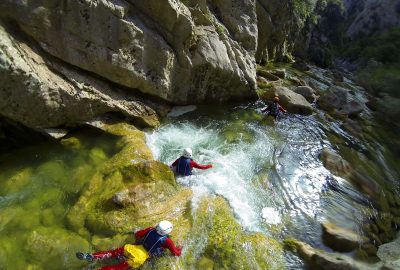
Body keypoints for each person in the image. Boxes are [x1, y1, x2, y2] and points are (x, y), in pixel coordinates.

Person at [76, 220, 182, 270]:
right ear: (166, 232)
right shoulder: (167, 241)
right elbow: (175, 253)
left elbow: (138, 234)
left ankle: (92, 256)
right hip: (140, 257)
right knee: (118, 268)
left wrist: (137, 242)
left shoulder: (150, 229)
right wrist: (180, 248)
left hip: (132, 248)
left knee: (111, 253)